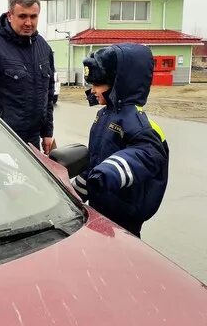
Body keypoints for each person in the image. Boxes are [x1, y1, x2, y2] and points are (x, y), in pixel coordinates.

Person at [71, 44, 169, 238]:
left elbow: (147, 154)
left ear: (118, 84)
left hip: (124, 216)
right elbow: (96, 164)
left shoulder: (137, 122)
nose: (93, 91)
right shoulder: (104, 115)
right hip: (101, 208)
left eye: (98, 85)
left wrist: (111, 170)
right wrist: (74, 192)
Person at [0, 0, 56, 154]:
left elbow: (48, 94)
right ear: (10, 16)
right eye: (22, 16)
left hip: (33, 141)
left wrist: (47, 132)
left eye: (33, 16)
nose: (28, 22)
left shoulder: (43, 48)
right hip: (3, 141)